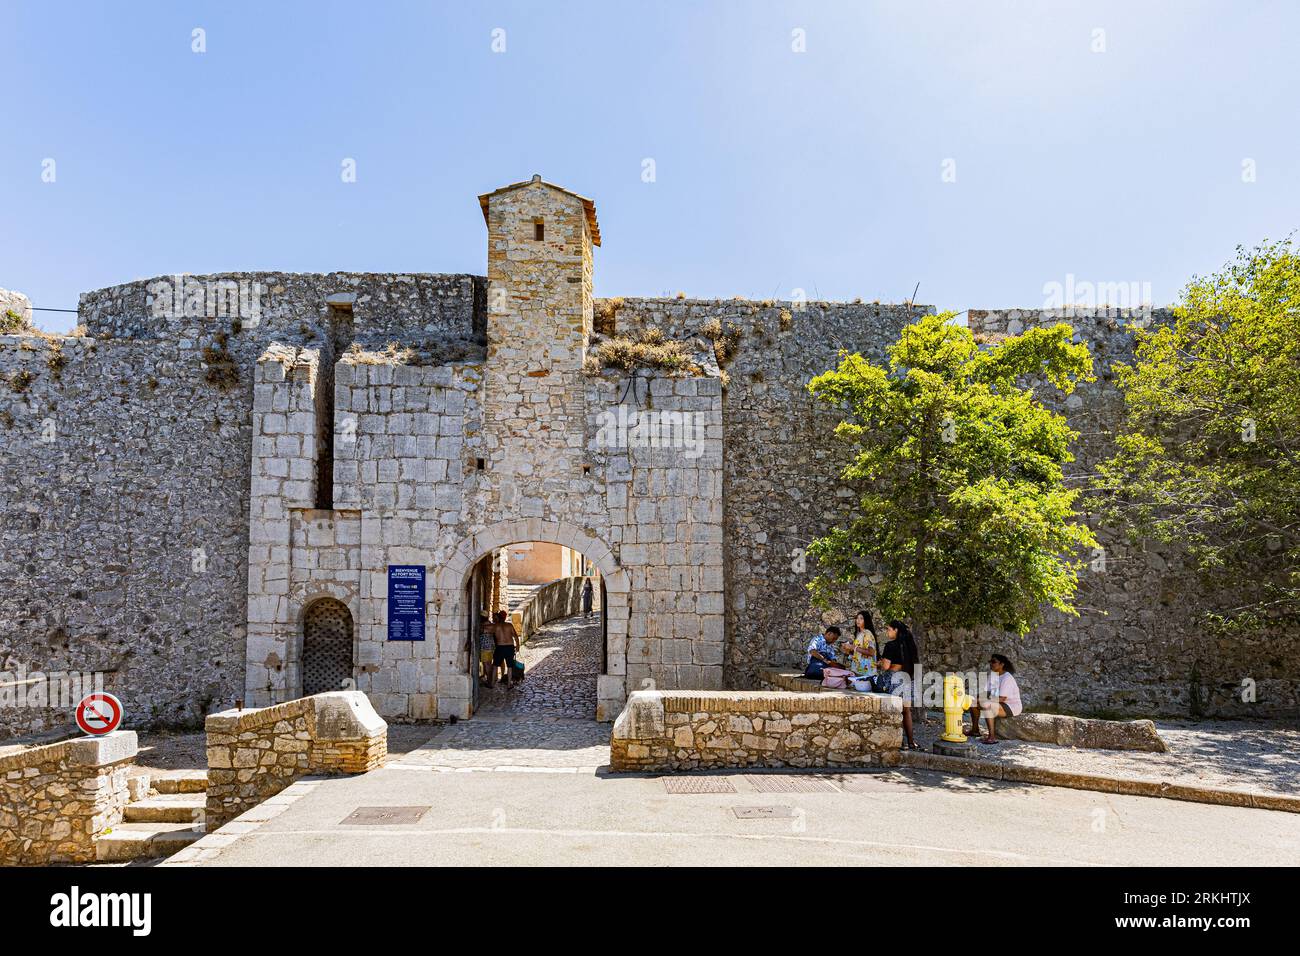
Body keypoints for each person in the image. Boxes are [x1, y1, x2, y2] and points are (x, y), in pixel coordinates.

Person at [878, 620, 920, 750]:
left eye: (889, 629)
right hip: (908, 679)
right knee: (906, 711)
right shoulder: (910, 646)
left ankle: (900, 742)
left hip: (894, 679)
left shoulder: (890, 646)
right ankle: (911, 742)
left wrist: (879, 663)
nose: (887, 632)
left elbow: (886, 666)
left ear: (896, 630)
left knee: (896, 711)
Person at [967, 653, 1023, 744]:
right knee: (973, 702)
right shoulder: (993, 675)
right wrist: (976, 698)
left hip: (1010, 706)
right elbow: (985, 692)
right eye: (990, 661)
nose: (991, 664)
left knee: (986, 704)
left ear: (1002, 664)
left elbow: (1002, 699)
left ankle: (992, 737)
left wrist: (983, 700)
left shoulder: (1007, 677)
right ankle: (975, 730)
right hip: (998, 703)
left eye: (994, 662)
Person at [491, 610, 520, 687]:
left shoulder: (495, 626)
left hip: (499, 647)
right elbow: (516, 637)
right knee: (510, 666)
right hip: (509, 647)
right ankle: (509, 684)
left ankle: (492, 684)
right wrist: (517, 646)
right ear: (505, 618)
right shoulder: (509, 625)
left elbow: (487, 631)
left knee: (495, 665)